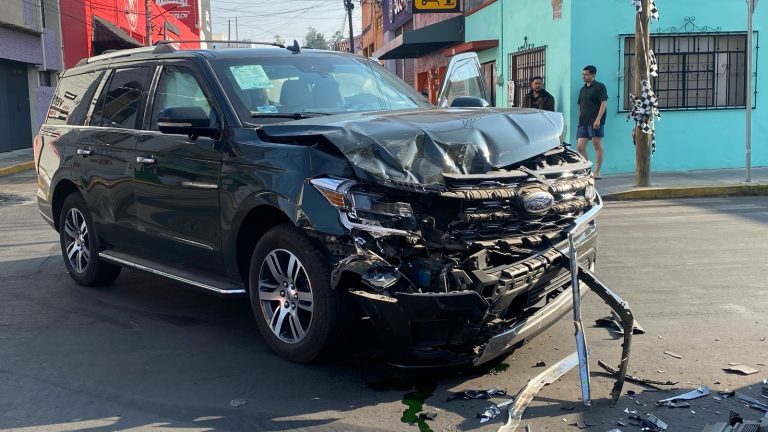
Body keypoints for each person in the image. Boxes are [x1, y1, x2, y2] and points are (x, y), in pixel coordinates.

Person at [576, 65, 608, 179]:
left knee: (596, 145)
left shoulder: (600, 87)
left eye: (586, 74)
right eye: (583, 74)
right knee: (580, 147)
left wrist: (598, 119)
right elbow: (581, 105)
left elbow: (604, 102)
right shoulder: (583, 89)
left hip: (595, 121)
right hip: (583, 122)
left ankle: (597, 171)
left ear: (593, 75)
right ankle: (588, 170)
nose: (584, 76)